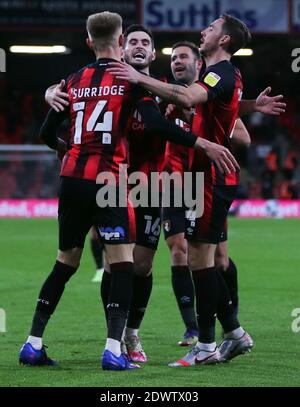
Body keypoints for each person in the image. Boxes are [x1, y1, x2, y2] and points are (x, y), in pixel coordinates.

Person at [34, 15, 239, 371]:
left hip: (154, 185)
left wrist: (240, 111)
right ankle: (121, 339)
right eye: (134, 42)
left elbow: (205, 104)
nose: (140, 47)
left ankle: (134, 333)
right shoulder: (111, 82)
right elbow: (63, 103)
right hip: (113, 184)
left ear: (151, 53)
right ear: (122, 48)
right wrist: (49, 93)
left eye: (146, 43)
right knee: (120, 263)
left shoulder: (156, 88)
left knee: (147, 264)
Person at [108, 14, 286, 365]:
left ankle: (208, 344)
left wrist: (137, 77)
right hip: (195, 180)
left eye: (211, 29)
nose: (204, 31)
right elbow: (212, 103)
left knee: (201, 260)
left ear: (223, 41)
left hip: (208, 180)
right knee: (197, 259)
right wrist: (249, 105)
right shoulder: (224, 76)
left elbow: (190, 97)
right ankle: (231, 334)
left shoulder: (218, 73)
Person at [162, 41, 251, 347]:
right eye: (173, 57)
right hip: (175, 185)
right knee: (180, 251)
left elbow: (242, 136)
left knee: (218, 260)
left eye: (183, 56)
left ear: (198, 64)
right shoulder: (163, 94)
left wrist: (244, 109)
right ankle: (195, 330)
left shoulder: (210, 97)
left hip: (208, 184)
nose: (177, 61)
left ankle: (230, 325)